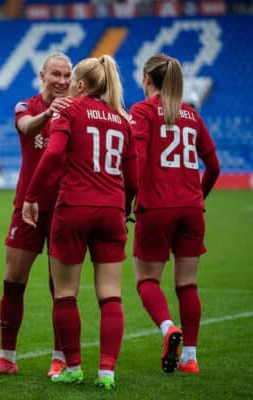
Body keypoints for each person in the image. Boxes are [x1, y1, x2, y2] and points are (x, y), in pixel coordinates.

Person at [22, 55, 137, 390]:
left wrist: (31, 196)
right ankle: (107, 372)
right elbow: (132, 177)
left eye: (72, 81)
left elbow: (54, 154)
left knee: (66, 293)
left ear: (82, 85)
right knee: (110, 295)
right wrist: (124, 207)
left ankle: (72, 366)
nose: (68, 85)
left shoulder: (69, 110)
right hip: (112, 210)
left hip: (73, 207)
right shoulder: (122, 119)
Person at [0, 52, 72, 378]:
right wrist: (48, 113)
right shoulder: (25, 106)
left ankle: (59, 359)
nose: (62, 81)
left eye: (67, 75)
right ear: (42, 75)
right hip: (26, 207)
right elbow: (26, 127)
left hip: (64, 207)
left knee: (60, 288)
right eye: (56, 74)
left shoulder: (75, 109)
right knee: (13, 281)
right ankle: (6, 359)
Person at [130, 54, 220, 374]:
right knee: (188, 285)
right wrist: (199, 197)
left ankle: (169, 328)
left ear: (147, 79)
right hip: (191, 209)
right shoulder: (192, 115)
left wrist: (128, 199)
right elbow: (214, 166)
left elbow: (136, 162)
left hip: (156, 207)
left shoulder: (141, 111)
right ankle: (190, 358)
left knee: (146, 280)